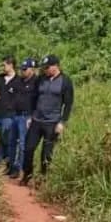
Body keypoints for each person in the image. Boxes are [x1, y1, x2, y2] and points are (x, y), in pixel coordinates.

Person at [21, 54, 74, 186]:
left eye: (47, 67)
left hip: (52, 122)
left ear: (56, 66)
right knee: (28, 148)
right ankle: (27, 174)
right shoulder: (41, 79)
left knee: (46, 153)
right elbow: (33, 97)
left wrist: (62, 122)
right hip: (37, 120)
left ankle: (43, 179)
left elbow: (68, 104)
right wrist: (29, 116)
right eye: (44, 68)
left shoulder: (65, 81)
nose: (45, 70)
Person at [7, 58, 38, 179]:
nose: (23, 71)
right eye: (22, 69)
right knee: (12, 142)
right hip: (15, 114)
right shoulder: (18, 80)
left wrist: (33, 116)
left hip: (26, 116)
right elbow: (9, 91)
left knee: (22, 144)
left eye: (25, 69)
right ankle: (11, 167)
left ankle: (20, 169)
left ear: (32, 69)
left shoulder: (36, 82)